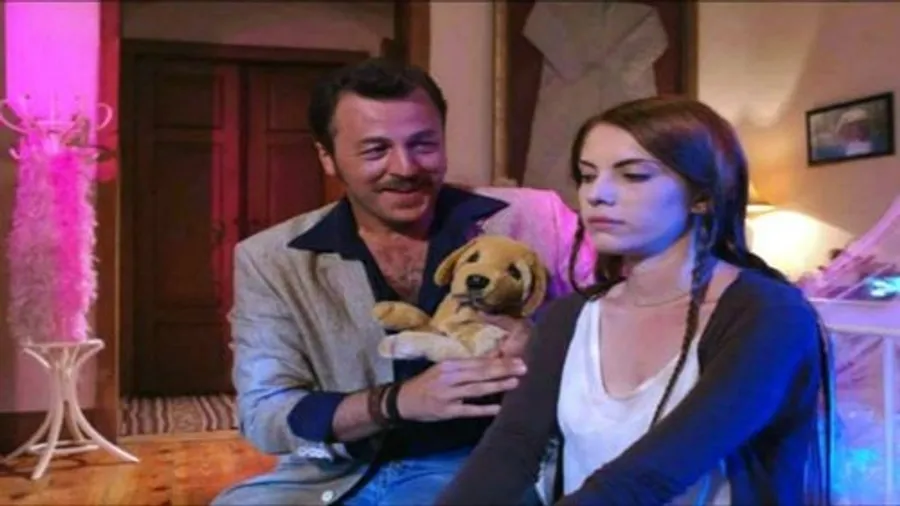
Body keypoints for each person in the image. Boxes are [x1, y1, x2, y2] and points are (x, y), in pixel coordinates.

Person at [211, 57, 593, 506]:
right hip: (337, 473)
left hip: (489, 465)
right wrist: (395, 403)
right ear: (327, 157)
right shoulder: (270, 259)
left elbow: (625, 317)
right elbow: (266, 413)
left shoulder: (538, 218)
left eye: (424, 144)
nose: (406, 167)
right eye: (375, 150)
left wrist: (541, 345)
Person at [436, 96, 836, 505]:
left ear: (703, 195)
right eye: (587, 176)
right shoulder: (568, 317)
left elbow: (650, 476)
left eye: (633, 175)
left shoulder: (769, 316)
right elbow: (512, 448)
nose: (597, 194)